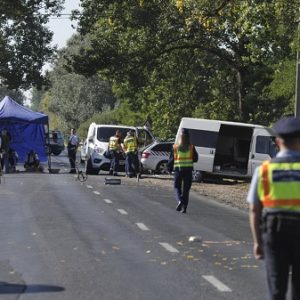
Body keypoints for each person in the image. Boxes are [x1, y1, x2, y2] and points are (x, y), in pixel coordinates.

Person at [247, 116, 300, 300]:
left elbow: (254, 209)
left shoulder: (265, 170)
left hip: (274, 232)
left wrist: (257, 242)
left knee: (277, 288)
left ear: (278, 142)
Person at [167, 128, 198, 213]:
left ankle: (180, 201)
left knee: (177, 187)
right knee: (186, 190)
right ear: (188, 137)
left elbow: (171, 160)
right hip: (188, 170)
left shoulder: (175, 147)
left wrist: (169, 168)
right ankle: (184, 208)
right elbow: (196, 159)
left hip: (178, 170)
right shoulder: (191, 147)